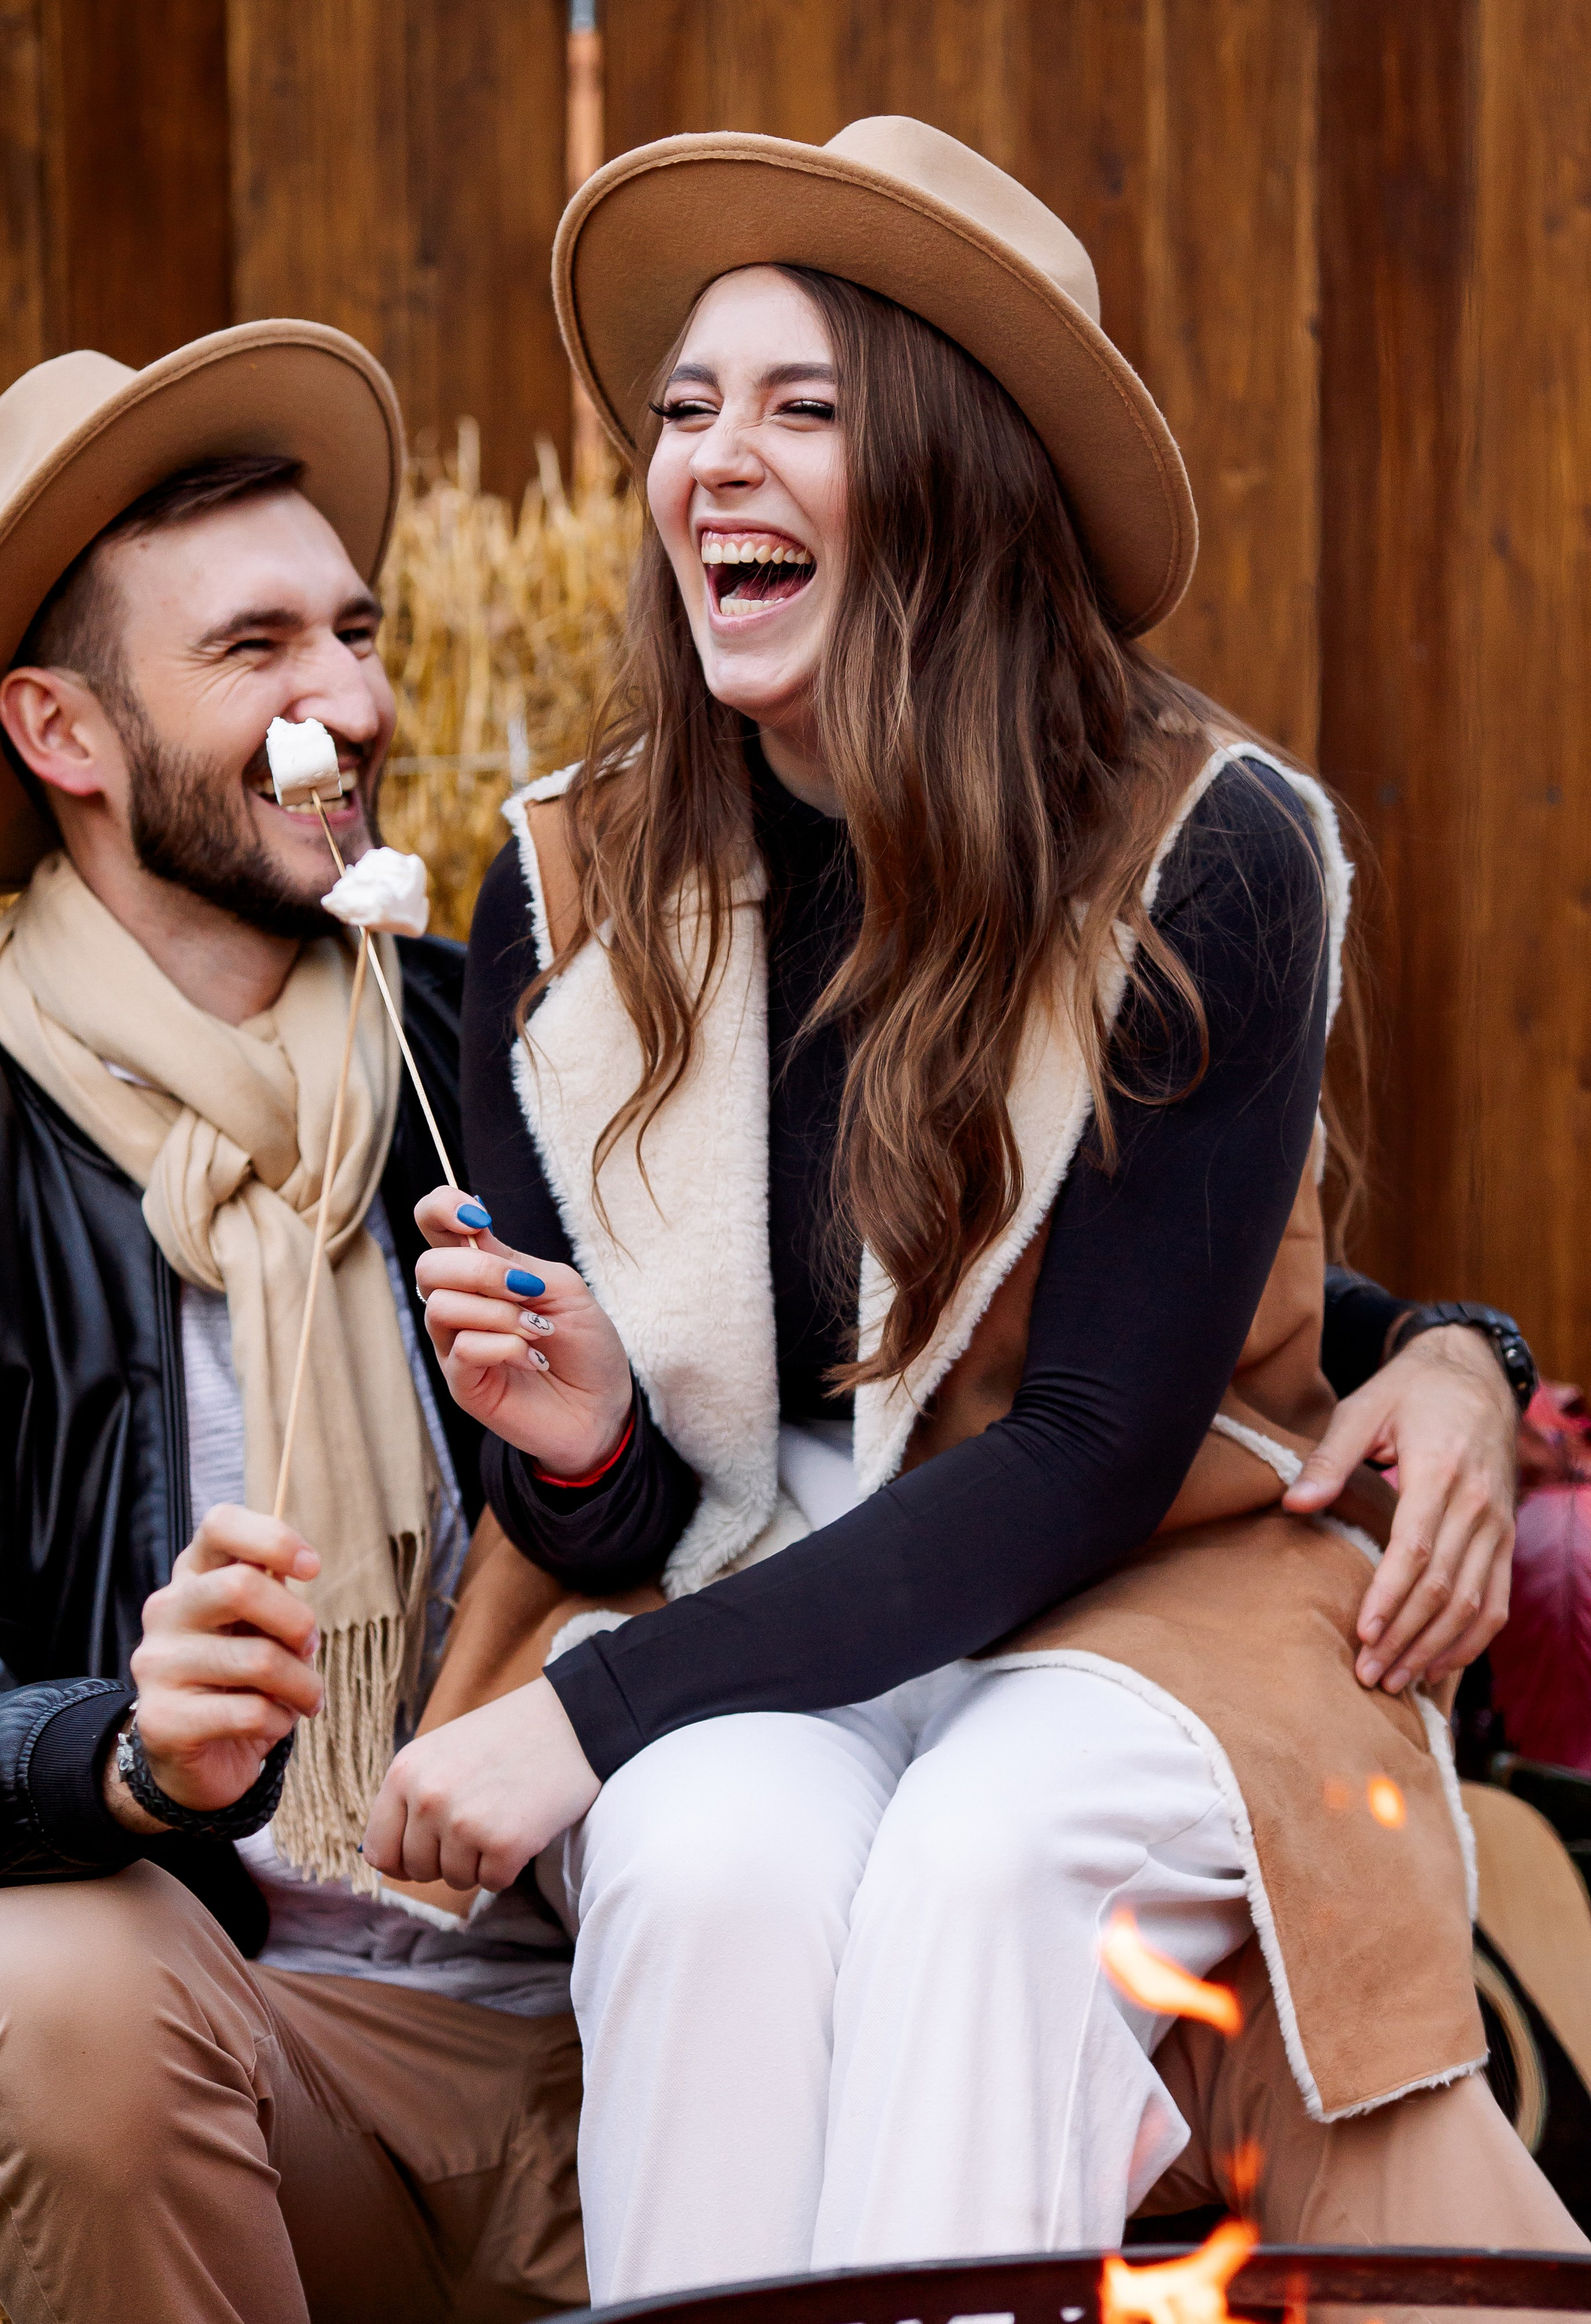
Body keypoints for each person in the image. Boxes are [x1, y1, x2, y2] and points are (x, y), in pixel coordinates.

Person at [365, 121, 1580, 2300]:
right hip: (752, 1594)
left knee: (986, 1863)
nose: (714, 461)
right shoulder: (566, 895)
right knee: (711, 1862)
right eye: (686, 410)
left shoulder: (1213, 853)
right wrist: (586, 1449)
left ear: (955, 471)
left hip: (1151, 1581)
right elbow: (638, 1522)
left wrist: (589, 1713)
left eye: (805, 409)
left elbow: (1100, 1436)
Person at [0, 327, 582, 2324]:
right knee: (47, 1979)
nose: (355, 698)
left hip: (629, 2009)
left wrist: (1438, 1352)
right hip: (237, 2048)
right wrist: (122, 1759)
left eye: (357, 628)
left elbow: (977, 1304)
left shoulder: (511, 1037)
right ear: (65, 734)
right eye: (256, 650)